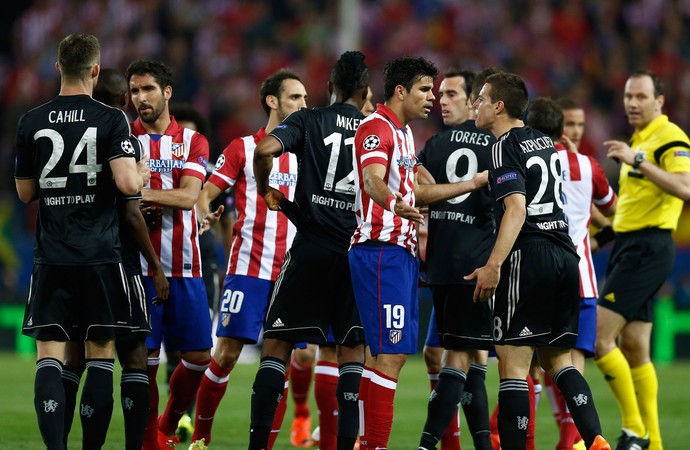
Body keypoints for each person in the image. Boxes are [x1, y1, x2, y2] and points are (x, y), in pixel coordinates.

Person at [349, 56, 488, 450]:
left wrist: (470, 184)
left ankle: (365, 442)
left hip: (400, 254)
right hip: (381, 250)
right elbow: (372, 180)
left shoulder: (406, 135)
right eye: (426, 89)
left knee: (381, 358)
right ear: (400, 91)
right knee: (390, 357)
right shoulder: (376, 128)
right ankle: (373, 444)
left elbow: (422, 192)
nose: (432, 97)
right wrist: (393, 204)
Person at [14, 33, 145, 450]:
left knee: (50, 355)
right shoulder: (110, 119)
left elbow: (25, 193)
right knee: (100, 353)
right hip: (100, 255)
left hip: (51, 254)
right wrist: (140, 171)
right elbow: (127, 184)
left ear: (57, 68)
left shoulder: (31, 120)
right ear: (94, 70)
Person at [469, 72, 611, 450]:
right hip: (566, 257)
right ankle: (596, 440)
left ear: (499, 106)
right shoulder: (544, 142)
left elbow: (516, 209)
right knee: (559, 361)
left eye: (482, 99)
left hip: (528, 256)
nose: (477, 105)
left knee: (513, 368)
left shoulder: (503, 146)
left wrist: (494, 264)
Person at [249, 50, 370, 450]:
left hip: (311, 248)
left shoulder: (308, 119)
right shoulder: (378, 130)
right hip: (355, 255)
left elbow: (264, 149)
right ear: (367, 91)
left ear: (330, 87)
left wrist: (266, 188)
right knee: (350, 353)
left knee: (278, 346)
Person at [189, 68, 307, 450]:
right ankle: (202, 436)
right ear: (272, 101)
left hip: (294, 272)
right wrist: (205, 211)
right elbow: (208, 192)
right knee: (225, 354)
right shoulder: (242, 148)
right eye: (295, 98)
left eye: (305, 99)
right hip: (249, 268)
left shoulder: (309, 153)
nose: (304, 105)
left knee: (282, 361)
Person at [59, 68, 170, 450]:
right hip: (116, 260)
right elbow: (131, 211)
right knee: (132, 355)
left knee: (73, 357)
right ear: (125, 100)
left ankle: (59, 442)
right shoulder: (122, 135)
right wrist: (155, 266)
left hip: (67, 257)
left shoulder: (69, 130)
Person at [594, 70, 690, 450]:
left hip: (649, 248)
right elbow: (630, 211)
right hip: (629, 245)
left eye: (641, 97)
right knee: (634, 345)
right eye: (628, 97)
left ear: (659, 102)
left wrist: (638, 161)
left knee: (600, 338)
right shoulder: (641, 139)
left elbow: (685, 188)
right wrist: (601, 237)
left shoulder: (669, 137)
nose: (632, 103)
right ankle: (657, 443)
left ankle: (634, 431)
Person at [126, 59, 214, 449]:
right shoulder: (124, 140)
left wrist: (138, 194)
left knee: (198, 357)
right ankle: (150, 442)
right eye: (134, 91)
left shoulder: (192, 141)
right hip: (139, 271)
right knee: (142, 366)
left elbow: (189, 196)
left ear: (167, 93)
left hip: (186, 266)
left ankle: (165, 425)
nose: (140, 98)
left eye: (147, 89)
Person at [526, 97, 617, 450]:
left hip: (537, 275)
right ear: (563, 129)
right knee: (567, 368)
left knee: (530, 367)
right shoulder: (587, 166)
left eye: (582, 125)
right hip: (579, 277)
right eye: (573, 125)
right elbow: (612, 211)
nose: (577, 131)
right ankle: (579, 442)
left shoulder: (527, 161)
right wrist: (593, 244)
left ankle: (526, 439)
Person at [415, 68, 496, 450]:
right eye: (439, 94)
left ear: (471, 99)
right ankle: (443, 444)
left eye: (450, 94)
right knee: (464, 356)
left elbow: (419, 193)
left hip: (450, 266)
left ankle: (449, 444)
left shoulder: (434, 145)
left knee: (461, 354)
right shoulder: (493, 145)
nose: (441, 101)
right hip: (469, 263)